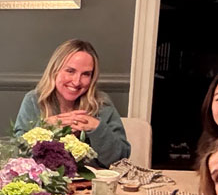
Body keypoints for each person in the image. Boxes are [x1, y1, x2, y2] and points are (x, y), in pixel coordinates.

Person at [14, 39, 131, 167]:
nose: (76, 82)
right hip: (45, 185)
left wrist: (98, 128)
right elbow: (17, 155)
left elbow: (120, 160)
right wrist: (45, 130)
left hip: (92, 185)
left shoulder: (101, 104)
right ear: (55, 70)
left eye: (86, 74)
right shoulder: (34, 100)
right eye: (70, 71)